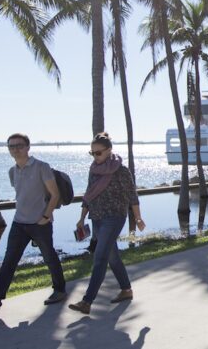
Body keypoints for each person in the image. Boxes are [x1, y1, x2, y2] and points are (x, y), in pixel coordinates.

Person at [0, 133, 66, 315]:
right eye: (11, 146)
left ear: (28, 147)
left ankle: (60, 290)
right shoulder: (12, 171)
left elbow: (55, 195)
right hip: (19, 223)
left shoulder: (41, 167)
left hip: (40, 223)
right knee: (9, 262)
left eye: (19, 145)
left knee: (50, 257)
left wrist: (45, 216)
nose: (15, 149)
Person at [68, 132, 145, 315]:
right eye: (92, 153)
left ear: (109, 150)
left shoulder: (121, 170)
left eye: (98, 153)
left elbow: (132, 196)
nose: (95, 156)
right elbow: (89, 193)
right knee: (112, 256)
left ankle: (87, 302)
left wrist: (138, 217)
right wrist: (81, 217)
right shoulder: (93, 169)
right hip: (96, 217)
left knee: (100, 257)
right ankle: (126, 290)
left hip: (115, 217)